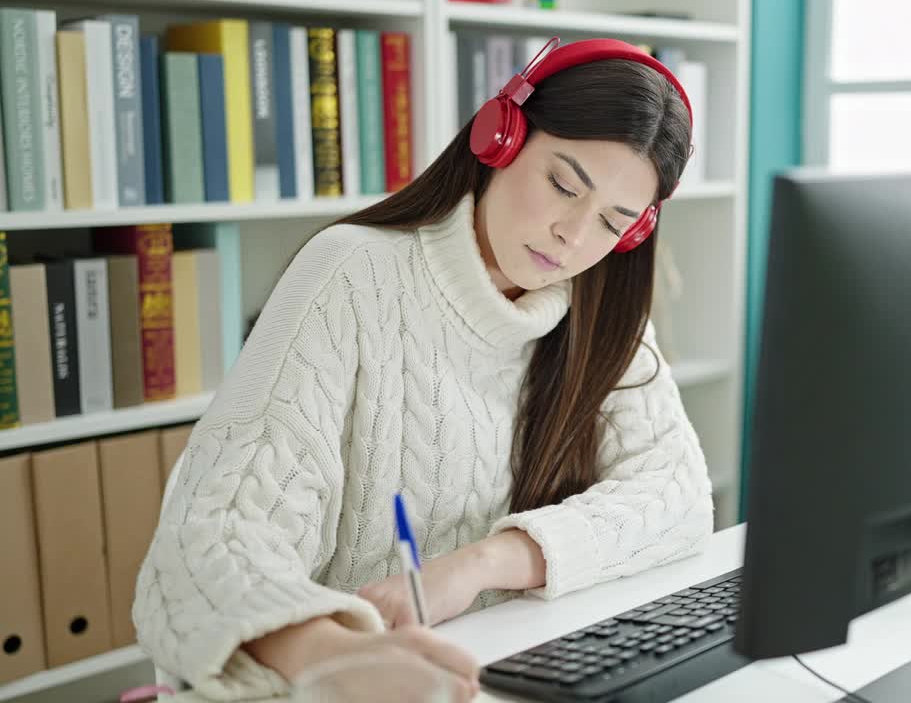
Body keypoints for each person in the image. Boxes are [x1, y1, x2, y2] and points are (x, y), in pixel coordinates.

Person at [132, 38, 713, 701]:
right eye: (561, 185)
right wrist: (331, 655)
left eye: (614, 221)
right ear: (500, 137)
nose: (573, 237)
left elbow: (678, 496)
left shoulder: (604, 315)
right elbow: (215, 536)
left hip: (504, 668)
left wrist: (483, 564)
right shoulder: (350, 272)